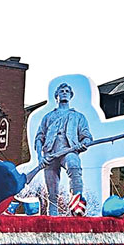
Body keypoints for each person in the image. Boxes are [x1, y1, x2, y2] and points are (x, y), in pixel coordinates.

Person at [34, 83, 93, 216]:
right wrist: (40, 157)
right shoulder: (48, 117)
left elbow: (87, 136)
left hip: (69, 151)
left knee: (74, 164)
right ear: (57, 95)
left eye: (67, 91)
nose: (65, 92)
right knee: (52, 189)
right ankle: (52, 216)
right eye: (62, 91)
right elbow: (39, 138)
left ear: (71, 95)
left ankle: (77, 205)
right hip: (50, 154)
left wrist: (84, 143)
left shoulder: (78, 117)